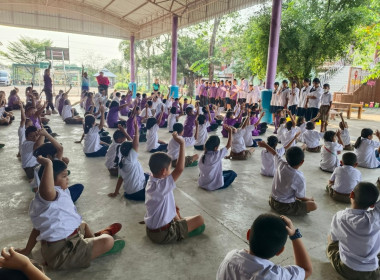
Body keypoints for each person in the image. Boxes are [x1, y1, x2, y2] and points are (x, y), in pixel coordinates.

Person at [17, 156, 125, 270]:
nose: (67, 179)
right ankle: (100, 243)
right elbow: (47, 189)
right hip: (63, 254)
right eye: (64, 176)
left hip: (58, 246)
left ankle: (92, 240)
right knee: (108, 241)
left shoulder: (56, 194)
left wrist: (26, 250)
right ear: (50, 181)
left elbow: (37, 229)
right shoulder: (49, 196)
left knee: (82, 224)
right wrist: (48, 164)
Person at [144, 134, 205, 244]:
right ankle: (180, 230)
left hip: (150, 230)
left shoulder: (151, 180)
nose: (170, 171)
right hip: (163, 234)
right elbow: (180, 169)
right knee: (200, 220)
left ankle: (179, 223)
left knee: (175, 207)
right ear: (163, 171)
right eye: (169, 169)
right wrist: (182, 144)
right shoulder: (162, 185)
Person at [217, 214, 312, 279]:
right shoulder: (275, 276)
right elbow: (306, 270)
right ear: (280, 251)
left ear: (248, 235)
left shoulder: (230, 257)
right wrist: (294, 235)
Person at [327, 182, 380, 279]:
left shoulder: (339, 217)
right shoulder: (375, 218)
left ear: (351, 194)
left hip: (347, 269)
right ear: (373, 205)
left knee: (331, 239)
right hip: (373, 271)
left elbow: (335, 239)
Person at [259, 142, 317, 215]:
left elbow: (274, 153)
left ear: (286, 158)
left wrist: (265, 145)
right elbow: (300, 197)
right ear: (302, 162)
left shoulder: (281, 163)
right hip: (283, 206)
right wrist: (309, 199)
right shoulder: (299, 177)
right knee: (313, 205)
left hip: (272, 200)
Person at [108, 120, 149, 201]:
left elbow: (120, 178)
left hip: (128, 194)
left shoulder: (122, 161)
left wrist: (116, 192)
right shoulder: (131, 158)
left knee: (147, 175)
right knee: (155, 182)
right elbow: (135, 144)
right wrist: (136, 130)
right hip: (139, 193)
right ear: (131, 151)